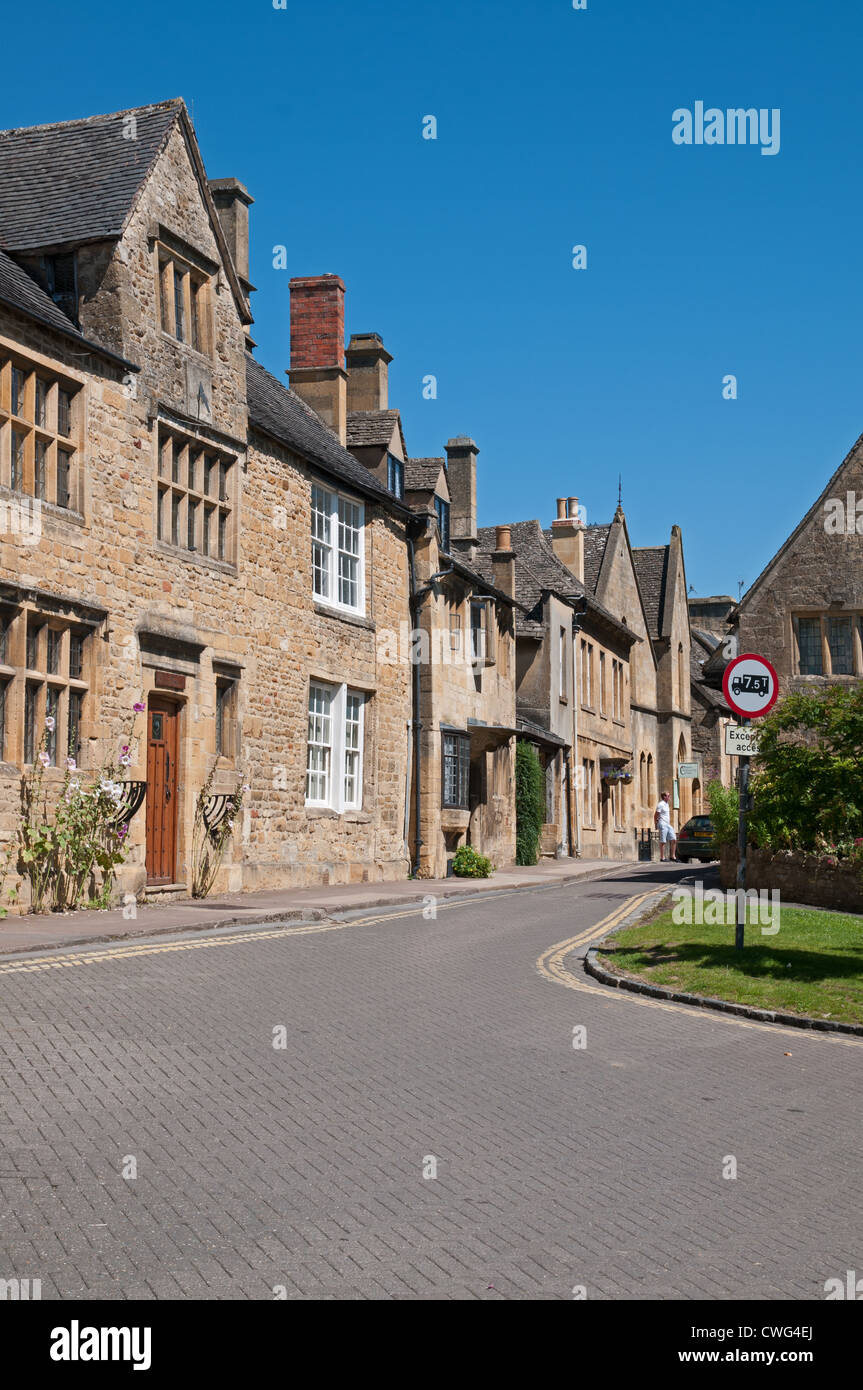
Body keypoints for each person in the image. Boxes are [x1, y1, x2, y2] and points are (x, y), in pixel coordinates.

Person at [654, 790, 678, 862]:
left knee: (674, 839)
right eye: (668, 796)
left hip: (668, 824)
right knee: (663, 841)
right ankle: (662, 857)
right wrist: (656, 824)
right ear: (664, 797)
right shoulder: (660, 804)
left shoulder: (667, 804)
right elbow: (655, 815)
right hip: (662, 824)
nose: (669, 797)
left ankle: (673, 856)